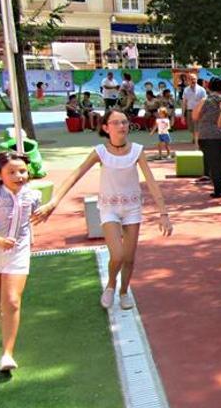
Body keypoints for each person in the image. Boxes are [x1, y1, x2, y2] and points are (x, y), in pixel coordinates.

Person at [34, 110, 172, 309]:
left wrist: (164, 213)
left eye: (124, 122)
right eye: (116, 123)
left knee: (130, 258)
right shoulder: (100, 151)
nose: (122, 126)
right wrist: (53, 202)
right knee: (117, 255)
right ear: (106, 128)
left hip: (132, 207)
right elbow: (75, 175)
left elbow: (151, 182)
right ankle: (111, 285)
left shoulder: (137, 150)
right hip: (109, 208)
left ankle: (124, 291)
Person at [0, 152, 42, 372]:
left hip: (18, 252)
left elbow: (33, 218)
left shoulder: (33, 195)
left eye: (22, 171)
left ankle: (7, 354)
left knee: (13, 301)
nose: (18, 176)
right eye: (11, 172)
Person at [194, 77, 221, 197]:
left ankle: (217, 189)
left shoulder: (205, 100)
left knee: (213, 163)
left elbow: (195, 116)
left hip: (206, 135)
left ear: (208, 88)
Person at [182, 73, 206, 147]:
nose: (193, 80)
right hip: (189, 111)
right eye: (191, 79)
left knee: (197, 128)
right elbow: (184, 103)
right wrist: (183, 115)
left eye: (194, 79)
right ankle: (195, 138)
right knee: (191, 128)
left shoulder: (202, 90)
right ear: (188, 80)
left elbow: (205, 102)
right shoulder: (186, 90)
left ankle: (197, 143)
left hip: (199, 111)